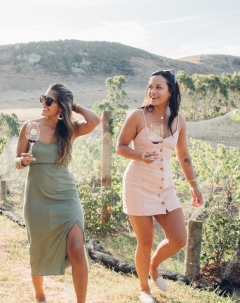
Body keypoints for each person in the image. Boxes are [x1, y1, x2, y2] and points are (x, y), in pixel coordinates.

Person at [116, 70, 203, 303]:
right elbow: (121, 147)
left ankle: (154, 266)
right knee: (145, 240)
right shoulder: (137, 116)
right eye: (150, 87)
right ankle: (144, 289)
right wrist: (139, 155)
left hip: (166, 187)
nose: (152, 91)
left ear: (170, 91)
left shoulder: (179, 120)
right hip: (138, 184)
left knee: (179, 239)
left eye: (158, 87)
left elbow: (183, 154)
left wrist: (193, 185)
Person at [16, 83, 101, 303]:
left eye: (49, 101)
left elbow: (94, 121)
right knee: (39, 245)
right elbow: (18, 161)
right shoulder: (30, 126)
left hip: (66, 195)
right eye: (43, 98)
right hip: (37, 197)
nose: (43, 103)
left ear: (60, 106)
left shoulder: (69, 129)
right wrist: (23, 160)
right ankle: (40, 294)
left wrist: (74, 106)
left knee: (76, 248)